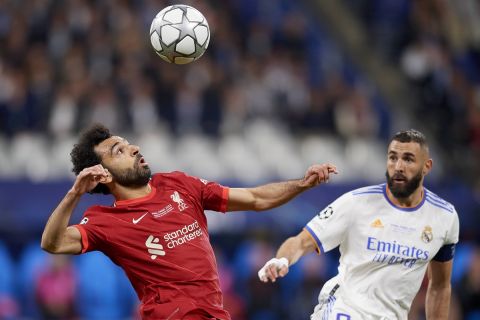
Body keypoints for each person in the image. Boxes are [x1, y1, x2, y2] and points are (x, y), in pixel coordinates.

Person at [40, 123, 337, 320]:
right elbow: (52, 242)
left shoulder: (178, 184)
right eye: (118, 151)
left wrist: (301, 184)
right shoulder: (106, 221)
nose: (133, 149)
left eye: (128, 144)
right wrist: (75, 192)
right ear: (101, 174)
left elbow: (257, 198)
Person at [258, 129, 459, 320]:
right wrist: (282, 259)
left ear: (427, 166)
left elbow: (440, 286)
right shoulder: (356, 203)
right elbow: (301, 241)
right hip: (343, 311)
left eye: (408, 159)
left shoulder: (444, 217)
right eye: (392, 157)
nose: (398, 166)